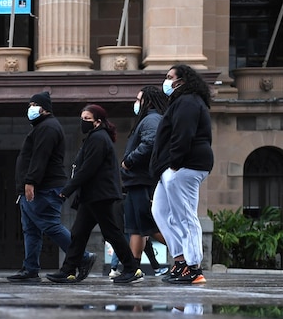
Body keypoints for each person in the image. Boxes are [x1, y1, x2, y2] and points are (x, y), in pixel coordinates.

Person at [46, 104, 143, 284]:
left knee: (111, 233)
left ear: (98, 122)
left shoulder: (99, 138)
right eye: (82, 118)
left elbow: (88, 169)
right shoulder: (95, 137)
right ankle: (68, 270)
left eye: (87, 119)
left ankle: (132, 268)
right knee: (78, 233)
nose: (83, 122)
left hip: (100, 195)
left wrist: (67, 190)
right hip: (92, 195)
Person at [10, 92, 95, 282]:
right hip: (37, 187)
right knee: (31, 230)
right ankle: (30, 269)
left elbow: (41, 157)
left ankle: (82, 256)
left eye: (34, 104)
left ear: (45, 108)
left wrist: (31, 181)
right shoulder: (42, 127)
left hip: (44, 188)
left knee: (50, 225)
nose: (30, 108)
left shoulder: (48, 127)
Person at [150, 64, 214, 284]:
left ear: (182, 81)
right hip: (174, 168)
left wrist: (175, 164)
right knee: (159, 211)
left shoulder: (188, 101)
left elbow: (182, 134)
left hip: (185, 166)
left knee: (185, 216)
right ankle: (180, 261)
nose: (166, 81)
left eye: (170, 77)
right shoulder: (181, 101)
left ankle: (194, 268)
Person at [116, 86, 170, 277]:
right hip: (135, 182)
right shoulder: (148, 119)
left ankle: (185, 256)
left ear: (148, 101)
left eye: (139, 99)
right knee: (135, 228)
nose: (136, 103)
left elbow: (150, 142)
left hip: (142, 181)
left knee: (148, 226)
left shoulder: (151, 119)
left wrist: (129, 161)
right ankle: (132, 268)